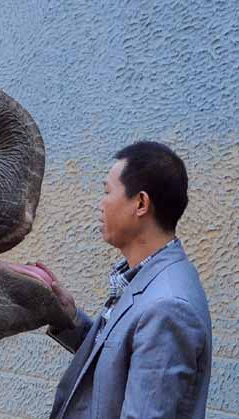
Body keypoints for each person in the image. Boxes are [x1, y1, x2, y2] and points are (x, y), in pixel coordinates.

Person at [35, 141, 211, 419]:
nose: (100, 204)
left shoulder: (168, 307)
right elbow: (117, 360)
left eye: (107, 191)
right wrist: (69, 317)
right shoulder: (144, 277)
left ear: (140, 203)